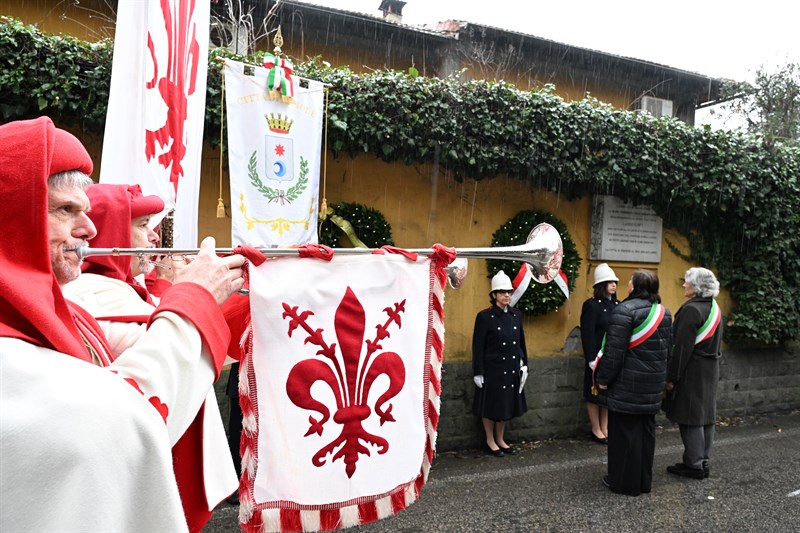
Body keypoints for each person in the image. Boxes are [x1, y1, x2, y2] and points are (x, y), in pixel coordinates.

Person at [0, 116, 245, 532]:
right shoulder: (89, 295)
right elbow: (117, 417)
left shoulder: (66, 307)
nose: (90, 229)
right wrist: (193, 298)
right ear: (13, 217)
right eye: (66, 209)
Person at [62, 183, 243, 528]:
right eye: (143, 225)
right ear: (113, 234)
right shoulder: (91, 295)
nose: (154, 236)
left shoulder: (121, 290)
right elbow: (188, 357)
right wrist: (193, 294)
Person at [593, 270, 672, 496]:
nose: (626, 283)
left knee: (623, 436)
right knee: (646, 436)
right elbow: (669, 351)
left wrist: (603, 380)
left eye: (629, 281)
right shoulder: (664, 313)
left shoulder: (624, 311)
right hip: (652, 386)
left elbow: (613, 353)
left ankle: (622, 482)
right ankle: (642, 481)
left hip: (627, 386)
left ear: (636, 286)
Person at [664, 267, 723, 480]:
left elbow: (681, 349)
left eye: (687, 282)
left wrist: (671, 377)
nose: (683, 284)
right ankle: (703, 460)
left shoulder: (691, 310)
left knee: (691, 417)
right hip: (709, 369)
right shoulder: (714, 307)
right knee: (706, 415)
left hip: (692, 370)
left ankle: (694, 465)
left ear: (697, 287)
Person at [472, 270, 528, 457]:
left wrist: (523, 361)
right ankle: (489, 439)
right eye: (502, 292)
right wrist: (478, 371)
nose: (506, 295)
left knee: (505, 405)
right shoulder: (484, 317)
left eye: (509, 292)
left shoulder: (515, 315)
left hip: (511, 367)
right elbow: (478, 346)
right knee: (490, 406)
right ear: (494, 295)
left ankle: (501, 439)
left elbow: (521, 341)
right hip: (492, 369)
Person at [580, 263, 619, 444]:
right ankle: (596, 428)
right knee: (594, 394)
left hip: (612, 357)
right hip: (597, 358)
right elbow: (587, 333)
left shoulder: (618, 305)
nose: (614, 285)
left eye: (615, 282)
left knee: (608, 394)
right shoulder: (592, 306)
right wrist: (590, 358)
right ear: (601, 285)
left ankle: (606, 427)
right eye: (609, 282)